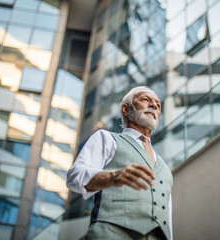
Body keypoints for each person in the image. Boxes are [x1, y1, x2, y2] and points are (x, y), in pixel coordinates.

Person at [67, 86, 173, 240]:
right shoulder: (107, 139)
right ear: (125, 109)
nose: (154, 105)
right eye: (145, 99)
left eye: (158, 104)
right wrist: (112, 177)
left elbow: (167, 217)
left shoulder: (164, 168)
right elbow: (74, 176)